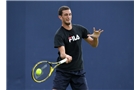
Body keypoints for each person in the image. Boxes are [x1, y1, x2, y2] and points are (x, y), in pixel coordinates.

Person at [52, 6, 103, 90]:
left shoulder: (80, 29)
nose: (68, 17)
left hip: (78, 71)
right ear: (60, 17)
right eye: (65, 15)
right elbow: (62, 53)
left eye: (70, 14)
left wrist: (96, 38)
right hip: (63, 72)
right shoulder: (59, 34)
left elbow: (94, 44)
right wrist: (66, 56)